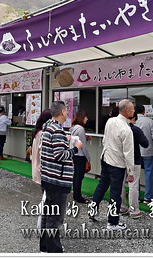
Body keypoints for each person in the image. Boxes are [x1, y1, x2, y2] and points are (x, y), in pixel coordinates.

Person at [40, 101, 83, 253]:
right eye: (66, 110)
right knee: (55, 217)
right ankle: (54, 250)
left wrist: (67, 138)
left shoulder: (48, 127)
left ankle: (45, 247)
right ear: (63, 112)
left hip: (47, 177)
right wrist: (75, 149)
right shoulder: (56, 130)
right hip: (57, 180)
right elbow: (60, 155)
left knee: (48, 214)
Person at [90, 100, 136, 231]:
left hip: (105, 158)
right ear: (127, 111)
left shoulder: (110, 121)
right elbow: (128, 153)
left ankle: (92, 211)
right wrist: (131, 172)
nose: (134, 111)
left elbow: (105, 140)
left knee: (102, 185)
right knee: (115, 193)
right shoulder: (126, 129)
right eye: (132, 109)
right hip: (117, 163)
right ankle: (113, 222)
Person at [120, 114, 148, 218]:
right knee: (133, 185)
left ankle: (122, 207)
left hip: (121, 160)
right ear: (134, 118)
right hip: (134, 160)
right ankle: (134, 210)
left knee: (121, 184)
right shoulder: (136, 130)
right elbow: (145, 143)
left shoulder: (120, 128)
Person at [135, 105, 153, 203]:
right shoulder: (150, 121)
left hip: (135, 151)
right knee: (148, 173)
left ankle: (136, 196)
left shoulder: (132, 122)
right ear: (144, 111)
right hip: (148, 150)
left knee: (136, 174)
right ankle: (147, 197)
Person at [70, 110, 91, 203]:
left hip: (75, 154)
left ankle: (75, 194)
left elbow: (76, 140)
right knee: (79, 176)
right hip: (81, 155)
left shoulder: (74, 128)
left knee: (76, 176)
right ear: (82, 118)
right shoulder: (81, 129)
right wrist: (88, 157)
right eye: (86, 117)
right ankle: (78, 196)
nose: (87, 119)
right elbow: (83, 145)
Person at [31, 109, 52, 185]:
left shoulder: (37, 132)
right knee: (47, 194)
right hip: (42, 169)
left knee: (46, 193)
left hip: (37, 167)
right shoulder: (43, 134)